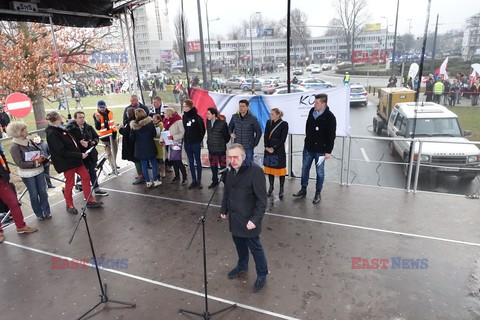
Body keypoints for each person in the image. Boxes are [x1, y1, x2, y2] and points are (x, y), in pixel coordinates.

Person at [220, 143, 268, 293]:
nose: (232, 160)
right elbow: (227, 192)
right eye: (230, 157)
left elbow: (262, 200)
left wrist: (255, 220)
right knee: (239, 244)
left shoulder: (255, 172)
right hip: (235, 219)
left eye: (236, 157)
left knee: (255, 248)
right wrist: (224, 209)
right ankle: (242, 266)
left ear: (244, 156)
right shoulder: (229, 171)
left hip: (248, 220)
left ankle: (262, 273)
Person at [45, 111, 102, 214]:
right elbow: (61, 151)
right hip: (68, 163)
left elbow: (70, 142)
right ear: (56, 119)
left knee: (86, 177)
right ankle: (69, 204)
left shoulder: (60, 129)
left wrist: (78, 143)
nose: (62, 119)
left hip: (76, 160)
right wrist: (79, 155)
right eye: (59, 117)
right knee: (70, 183)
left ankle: (89, 199)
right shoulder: (52, 133)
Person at [293, 94, 337, 204]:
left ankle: (318, 193)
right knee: (305, 169)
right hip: (308, 148)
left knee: (320, 172)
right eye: (314, 102)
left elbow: (331, 136)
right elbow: (308, 127)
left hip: (321, 151)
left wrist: (328, 151)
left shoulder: (330, 117)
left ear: (323, 104)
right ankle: (303, 189)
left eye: (317, 103)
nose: (314, 104)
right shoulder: (311, 112)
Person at [8, 122, 52, 221]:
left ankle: (47, 211)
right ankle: (39, 214)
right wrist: (36, 162)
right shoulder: (15, 147)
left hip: (39, 171)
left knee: (43, 192)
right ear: (19, 132)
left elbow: (39, 150)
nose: (27, 131)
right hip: (28, 174)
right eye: (24, 130)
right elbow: (20, 163)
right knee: (34, 194)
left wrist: (41, 156)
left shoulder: (30, 141)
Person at [0, 148, 38, 243]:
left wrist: (6, 173)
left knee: (14, 202)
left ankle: (21, 226)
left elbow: (2, 159)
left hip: (2, 180)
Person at [67, 111, 108, 196]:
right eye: (80, 117)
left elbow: (96, 137)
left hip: (91, 154)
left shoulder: (88, 127)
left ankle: (96, 189)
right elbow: (70, 143)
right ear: (75, 119)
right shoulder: (71, 129)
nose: (82, 119)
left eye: (83, 117)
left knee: (93, 171)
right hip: (80, 156)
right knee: (83, 174)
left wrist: (93, 142)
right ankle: (85, 191)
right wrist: (79, 142)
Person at [130, 109, 162, 187]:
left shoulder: (133, 125)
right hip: (150, 146)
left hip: (139, 149)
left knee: (144, 165)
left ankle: (148, 182)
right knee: (154, 164)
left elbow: (132, 138)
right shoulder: (150, 123)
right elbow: (154, 134)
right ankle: (155, 180)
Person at [263, 108, 289, 200]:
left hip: (278, 150)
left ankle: (281, 188)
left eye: (272, 114)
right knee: (270, 170)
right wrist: (266, 146)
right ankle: (271, 187)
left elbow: (283, 139)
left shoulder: (284, 124)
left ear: (278, 115)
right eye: (270, 114)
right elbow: (266, 135)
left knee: (280, 170)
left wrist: (273, 148)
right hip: (268, 149)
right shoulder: (268, 122)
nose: (271, 116)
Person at [228, 99, 262, 164]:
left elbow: (258, 132)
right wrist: (231, 133)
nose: (241, 108)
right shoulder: (234, 117)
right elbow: (230, 127)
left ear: (247, 107)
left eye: (243, 106)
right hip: (237, 145)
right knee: (237, 164)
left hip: (248, 146)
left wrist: (255, 143)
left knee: (248, 164)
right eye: (240, 106)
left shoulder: (253, 118)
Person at [182, 99, 206, 189]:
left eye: (185, 106)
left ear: (190, 107)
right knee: (190, 162)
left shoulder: (197, 117)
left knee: (198, 161)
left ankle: (199, 180)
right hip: (187, 143)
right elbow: (186, 128)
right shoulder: (184, 117)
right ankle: (193, 180)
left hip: (195, 143)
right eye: (183, 106)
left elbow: (202, 130)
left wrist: (198, 140)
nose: (184, 108)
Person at [119, 108, 145, 185]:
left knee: (136, 160)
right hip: (133, 144)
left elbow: (125, 132)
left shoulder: (131, 123)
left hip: (131, 145)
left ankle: (141, 176)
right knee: (138, 160)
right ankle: (141, 174)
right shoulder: (133, 122)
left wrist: (120, 129)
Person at [206, 107, 230, 189]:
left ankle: (226, 182)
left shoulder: (222, 123)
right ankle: (214, 181)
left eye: (208, 114)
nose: (207, 115)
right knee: (213, 166)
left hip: (220, 149)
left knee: (223, 166)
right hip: (211, 148)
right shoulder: (208, 122)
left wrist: (221, 143)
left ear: (214, 115)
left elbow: (227, 137)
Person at [163, 107, 187, 185]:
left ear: (169, 113)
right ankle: (177, 176)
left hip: (177, 144)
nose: (164, 115)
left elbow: (183, 133)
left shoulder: (178, 121)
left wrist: (173, 137)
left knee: (178, 161)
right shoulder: (166, 121)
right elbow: (164, 132)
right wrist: (163, 140)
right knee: (173, 161)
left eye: (165, 113)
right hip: (169, 144)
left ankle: (184, 177)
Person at [93, 100, 119, 171]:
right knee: (108, 152)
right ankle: (113, 167)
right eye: (100, 107)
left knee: (115, 150)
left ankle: (113, 162)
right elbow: (97, 127)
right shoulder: (96, 114)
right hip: (104, 136)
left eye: (103, 107)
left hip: (113, 134)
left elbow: (111, 122)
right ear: (98, 107)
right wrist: (98, 120)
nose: (102, 109)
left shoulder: (110, 112)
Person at [152, 114, 166, 180]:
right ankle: (157, 172)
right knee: (156, 159)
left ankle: (163, 172)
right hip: (154, 144)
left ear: (159, 119)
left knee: (161, 159)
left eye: (155, 118)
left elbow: (157, 134)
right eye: (153, 118)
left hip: (160, 144)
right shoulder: (152, 125)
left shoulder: (160, 125)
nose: (153, 119)